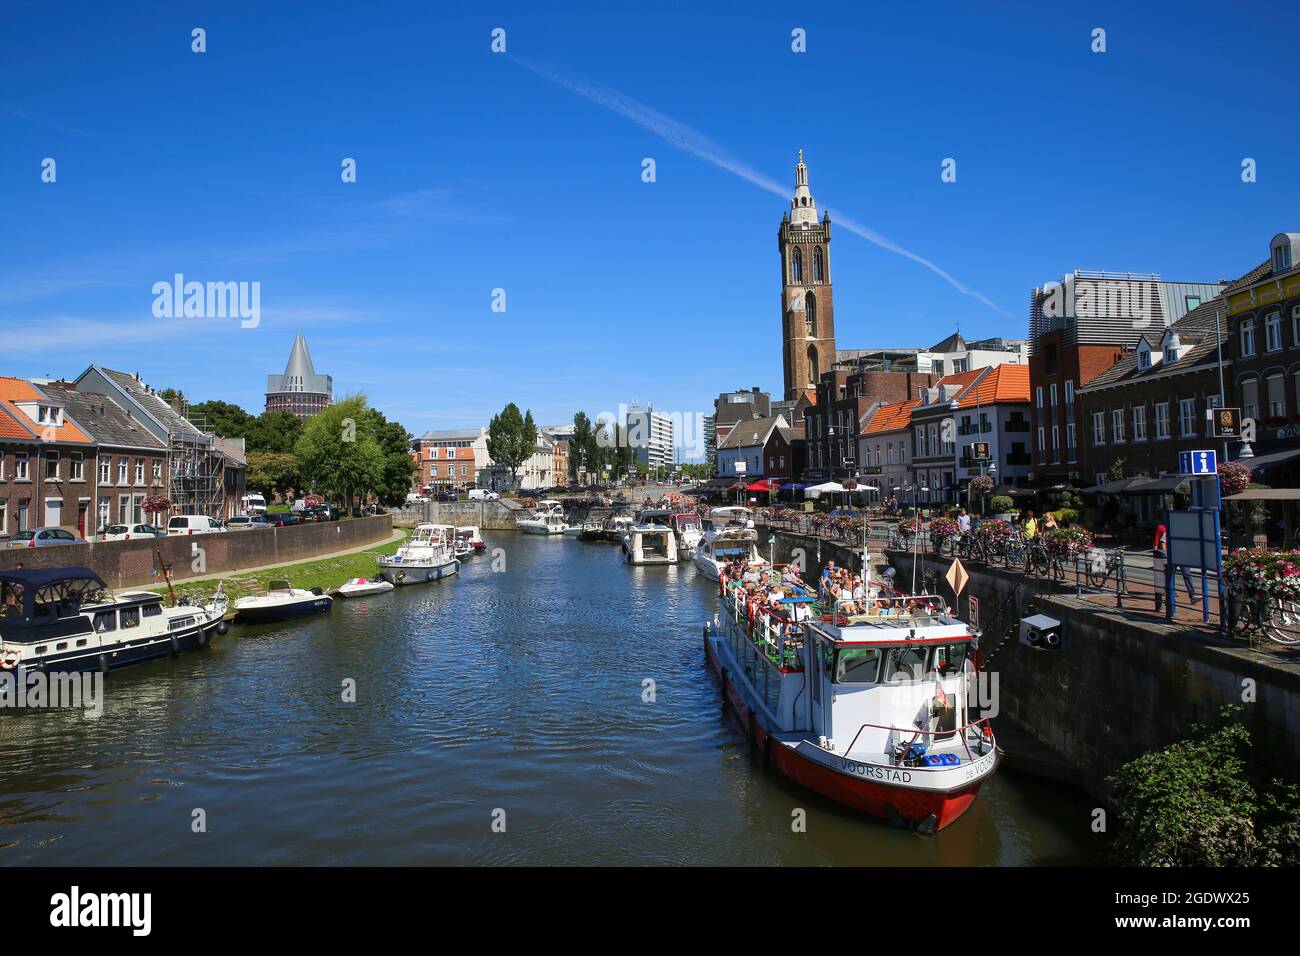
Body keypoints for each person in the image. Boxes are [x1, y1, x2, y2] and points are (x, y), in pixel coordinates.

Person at [1152, 522, 1197, 610]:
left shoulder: (1182, 528)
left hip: (1182, 555)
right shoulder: (1163, 527)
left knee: (1186, 574)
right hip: (1171, 555)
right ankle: (1170, 596)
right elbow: (1160, 540)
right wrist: (1161, 554)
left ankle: (1193, 595)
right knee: (1170, 576)